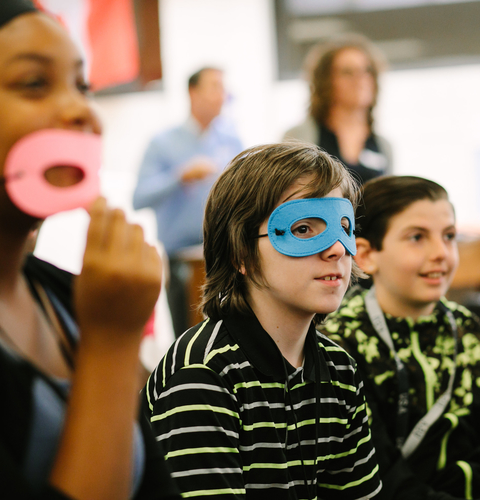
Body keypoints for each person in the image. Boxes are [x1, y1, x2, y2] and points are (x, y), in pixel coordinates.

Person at [0, 1, 179, 498]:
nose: (82, 111)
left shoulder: (65, 294)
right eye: (33, 83)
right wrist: (110, 344)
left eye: (81, 85)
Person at [320, 176, 480, 500]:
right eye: (417, 237)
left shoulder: (466, 330)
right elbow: (383, 479)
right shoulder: (342, 344)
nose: (441, 253)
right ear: (365, 255)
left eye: (449, 236)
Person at [142, 142, 383, 499]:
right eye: (303, 230)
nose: (336, 249)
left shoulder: (340, 370)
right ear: (242, 253)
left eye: (343, 227)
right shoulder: (203, 376)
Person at [133, 66, 242, 336]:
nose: (221, 95)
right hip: (181, 260)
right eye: (214, 86)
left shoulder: (231, 140)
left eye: (223, 88)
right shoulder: (163, 143)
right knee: (188, 337)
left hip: (226, 256)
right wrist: (180, 176)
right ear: (193, 92)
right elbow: (139, 197)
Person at [283, 34, 392, 185]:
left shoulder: (383, 146)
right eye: (347, 72)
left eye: (366, 71)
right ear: (325, 81)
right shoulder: (298, 138)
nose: (360, 79)